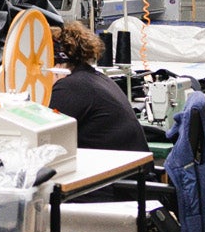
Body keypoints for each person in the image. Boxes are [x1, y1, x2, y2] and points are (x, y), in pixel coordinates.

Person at [47, 19, 150, 153]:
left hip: (118, 171)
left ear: (56, 63)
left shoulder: (71, 87)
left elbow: (44, 139)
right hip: (132, 169)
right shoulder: (95, 78)